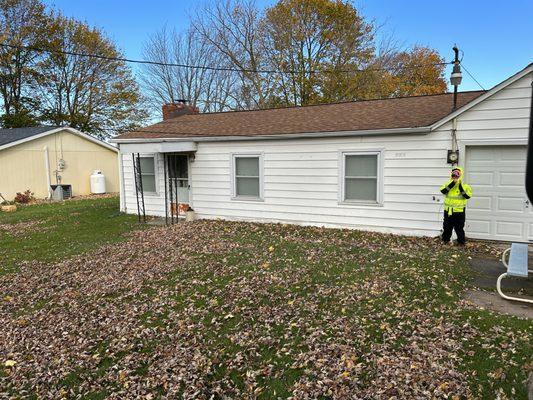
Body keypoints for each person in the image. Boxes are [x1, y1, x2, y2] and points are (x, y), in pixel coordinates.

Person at [439, 167, 473, 245]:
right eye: (454, 175)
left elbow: (467, 196)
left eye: (457, 175)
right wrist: (452, 184)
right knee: (447, 227)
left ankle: (461, 242)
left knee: (459, 228)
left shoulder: (465, 186)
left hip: (459, 211)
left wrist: (460, 186)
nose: (455, 177)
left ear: (460, 175)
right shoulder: (447, 183)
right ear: (451, 175)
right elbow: (443, 191)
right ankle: (445, 241)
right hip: (448, 211)